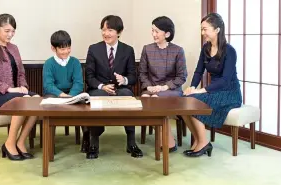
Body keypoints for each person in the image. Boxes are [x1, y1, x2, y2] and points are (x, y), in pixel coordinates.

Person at [0, 14, 39, 161]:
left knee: (36, 99)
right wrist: (9, 89)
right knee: (21, 100)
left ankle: (20, 142)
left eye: (13, 31)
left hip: (14, 92)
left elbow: (21, 72)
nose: (10, 34)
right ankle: (9, 143)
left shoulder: (14, 48)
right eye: (7, 31)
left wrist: (23, 86)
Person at [183, 13, 242, 157]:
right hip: (213, 90)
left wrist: (201, 90)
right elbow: (198, 71)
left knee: (196, 102)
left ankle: (203, 143)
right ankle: (199, 139)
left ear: (217, 30)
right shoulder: (206, 48)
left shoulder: (230, 51)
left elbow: (225, 80)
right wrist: (192, 87)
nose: (203, 33)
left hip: (229, 93)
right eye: (202, 29)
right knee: (183, 102)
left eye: (205, 29)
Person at [85, 15, 143, 159]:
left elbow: (133, 77)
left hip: (120, 89)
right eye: (103, 30)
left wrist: (124, 79)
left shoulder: (128, 50)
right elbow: (89, 77)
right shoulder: (93, 49)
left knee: (127, 96)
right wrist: (102, 86)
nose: (106, 33)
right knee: (97, 97)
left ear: (119, 32)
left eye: (110, 30)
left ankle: (131, 143)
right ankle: (93, 144)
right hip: (99, 89)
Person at [139, 16, 187, 153]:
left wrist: (164, 87)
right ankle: (165, 136)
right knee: (147, 98)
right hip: (151, 89)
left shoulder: (178, 50)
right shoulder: (147, 49)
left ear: (167, 34)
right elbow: (142, 73)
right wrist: (148, 87)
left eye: (157, 31)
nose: (153, 34)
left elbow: (182, 76)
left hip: (171, 89)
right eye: (152, 31)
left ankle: (168, 140)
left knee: (155, 99)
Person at [42, 30, 89, 152]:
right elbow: (48, 85)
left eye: (68, 48)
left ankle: (87, 138)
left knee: (85, 106)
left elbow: (78, 83)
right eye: (62, 49)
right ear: (54, 48)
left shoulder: (75, 62)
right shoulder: (49, 63)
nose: (66, 52)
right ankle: (49, 141)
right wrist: (62, 95)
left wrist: (71, 96)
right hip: (55, 94)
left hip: (72, 94)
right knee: (48, 102)